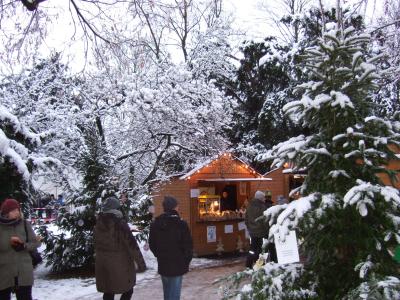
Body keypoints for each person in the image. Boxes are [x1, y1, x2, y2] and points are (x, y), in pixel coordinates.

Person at [94, 196, 146, 300]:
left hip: (103, 264)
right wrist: (141, 264)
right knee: (128, 289)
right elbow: (132, 246)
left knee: (108, 291)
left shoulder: (98, 224)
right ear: (116, 209)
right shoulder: (119, 224)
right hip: (120, 265)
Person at [149, 196, 193, 300]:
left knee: (168, 293)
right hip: (178, 265)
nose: (178, 207)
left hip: (163, 264)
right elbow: (188, 246)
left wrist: (159, 255)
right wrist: (186, 261)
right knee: (174, 295)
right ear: (174, 207)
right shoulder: (181, 224)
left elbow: (152, 244)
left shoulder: (156, 223)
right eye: (177, 206)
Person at [0, 198, 41, 300]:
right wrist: (8, 244)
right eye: (13, 210)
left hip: (24, 270)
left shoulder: (24, 224)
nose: (17, 212)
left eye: (18, 210)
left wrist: (23, 246)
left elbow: (36, 243)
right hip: (4, 272)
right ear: (6, 213)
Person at [245, 191, 270, 268]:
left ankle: (249, 264)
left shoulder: (249, 206)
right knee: (261, 250)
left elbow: (246, 219)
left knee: (252, 249)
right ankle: (260, 265)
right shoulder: (262, 207)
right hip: (261, 232)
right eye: (263, 197)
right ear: (260, 198)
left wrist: (249, 228)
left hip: (252, 232)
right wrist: (267, 231)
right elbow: (265, 221)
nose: (264, 199)